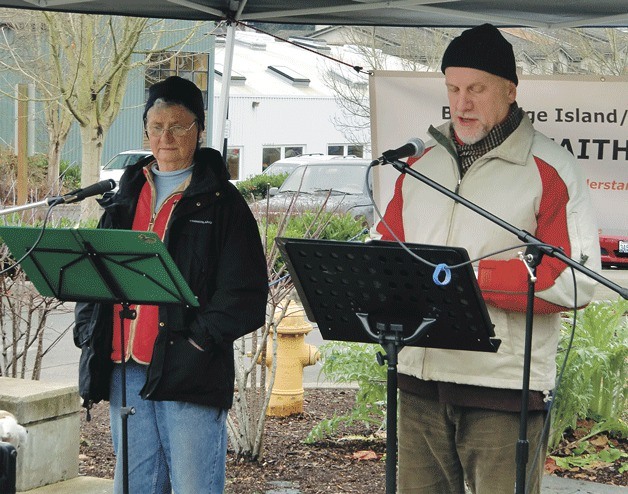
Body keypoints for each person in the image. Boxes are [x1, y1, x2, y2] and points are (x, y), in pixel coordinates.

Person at [372, 24, 600, 494]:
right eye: (453, 89)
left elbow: (577, 279)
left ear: (510, 91)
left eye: (476, 88)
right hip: (418, 380)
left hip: (502, 390)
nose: (462, 103)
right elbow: (387, 254)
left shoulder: (551, 168)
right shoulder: (418, 164)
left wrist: (470, 279)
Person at [74, 76, 269, 493]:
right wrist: (88, 330)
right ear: (145, 128)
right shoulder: (124, 196)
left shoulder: (223, 204)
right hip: (125, 371)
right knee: (136, 486)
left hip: (189, 373)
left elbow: (246, 295)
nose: (165, 136)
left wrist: (198, 343)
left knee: (193, 487)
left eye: (178, 125)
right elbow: (92, 274)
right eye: (156, 125)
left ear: (199, 129)